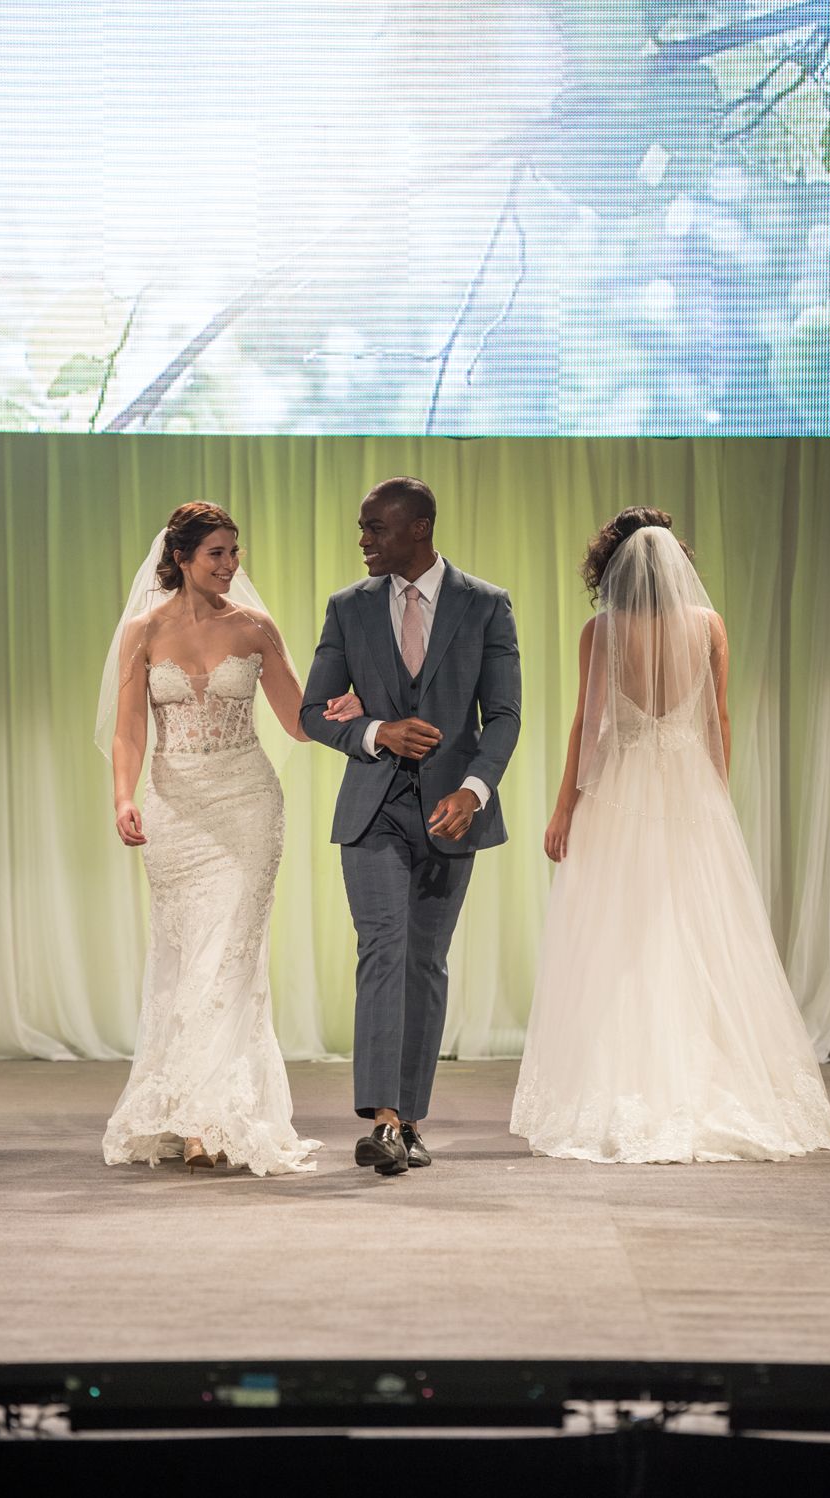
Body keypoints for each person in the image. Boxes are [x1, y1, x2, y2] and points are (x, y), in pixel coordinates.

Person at [511, 508, 830, 1164]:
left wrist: (563, 812)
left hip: (622, 793)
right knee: (693, 932)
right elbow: (717, 717)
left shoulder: (601, 630)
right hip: (691, 788)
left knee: (621, 939)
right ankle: (701, 1080)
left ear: (612, 568)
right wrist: (714, 798)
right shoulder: (710, 626)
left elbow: (589, 726)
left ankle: (629, 1081)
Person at [96, 502, 362, 1175]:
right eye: (216, 552)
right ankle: (188, 1103)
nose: (230, 565)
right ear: (181, 559)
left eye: (234, 552)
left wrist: (352, 706)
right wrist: (123, 797)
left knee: (230, 956)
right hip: (174, 807)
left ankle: (208, 1118)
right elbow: (128, 730)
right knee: (186, 956)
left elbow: (299, 722)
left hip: (247, 804)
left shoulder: (254, 627)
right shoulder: (143, 631)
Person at [300, 477, 522, 1175]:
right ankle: (384, 1121)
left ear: (418, 528)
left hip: (450, 810)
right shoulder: (348, 608)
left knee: (426, 962)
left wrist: (475, 789)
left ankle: (412, 1117)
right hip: (373, 809)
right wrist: (375, 733)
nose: (362, 540)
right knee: (384, 949)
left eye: (374, 528)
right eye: (362, 527)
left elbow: (505, 715)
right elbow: (313, 711)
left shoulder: (486, 606)